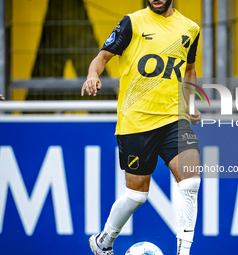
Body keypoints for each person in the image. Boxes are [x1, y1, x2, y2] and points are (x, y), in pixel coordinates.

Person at [82, 1, 201, 254]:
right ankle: (103, 242)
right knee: (137, 196)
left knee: (190, 181)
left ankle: (184, 251)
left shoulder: (190, 28)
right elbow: (101, 57)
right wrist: (94, 75)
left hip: (173, 119)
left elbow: (189, 69)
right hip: (136, 122)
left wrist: (190, 104)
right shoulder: (132, 22)